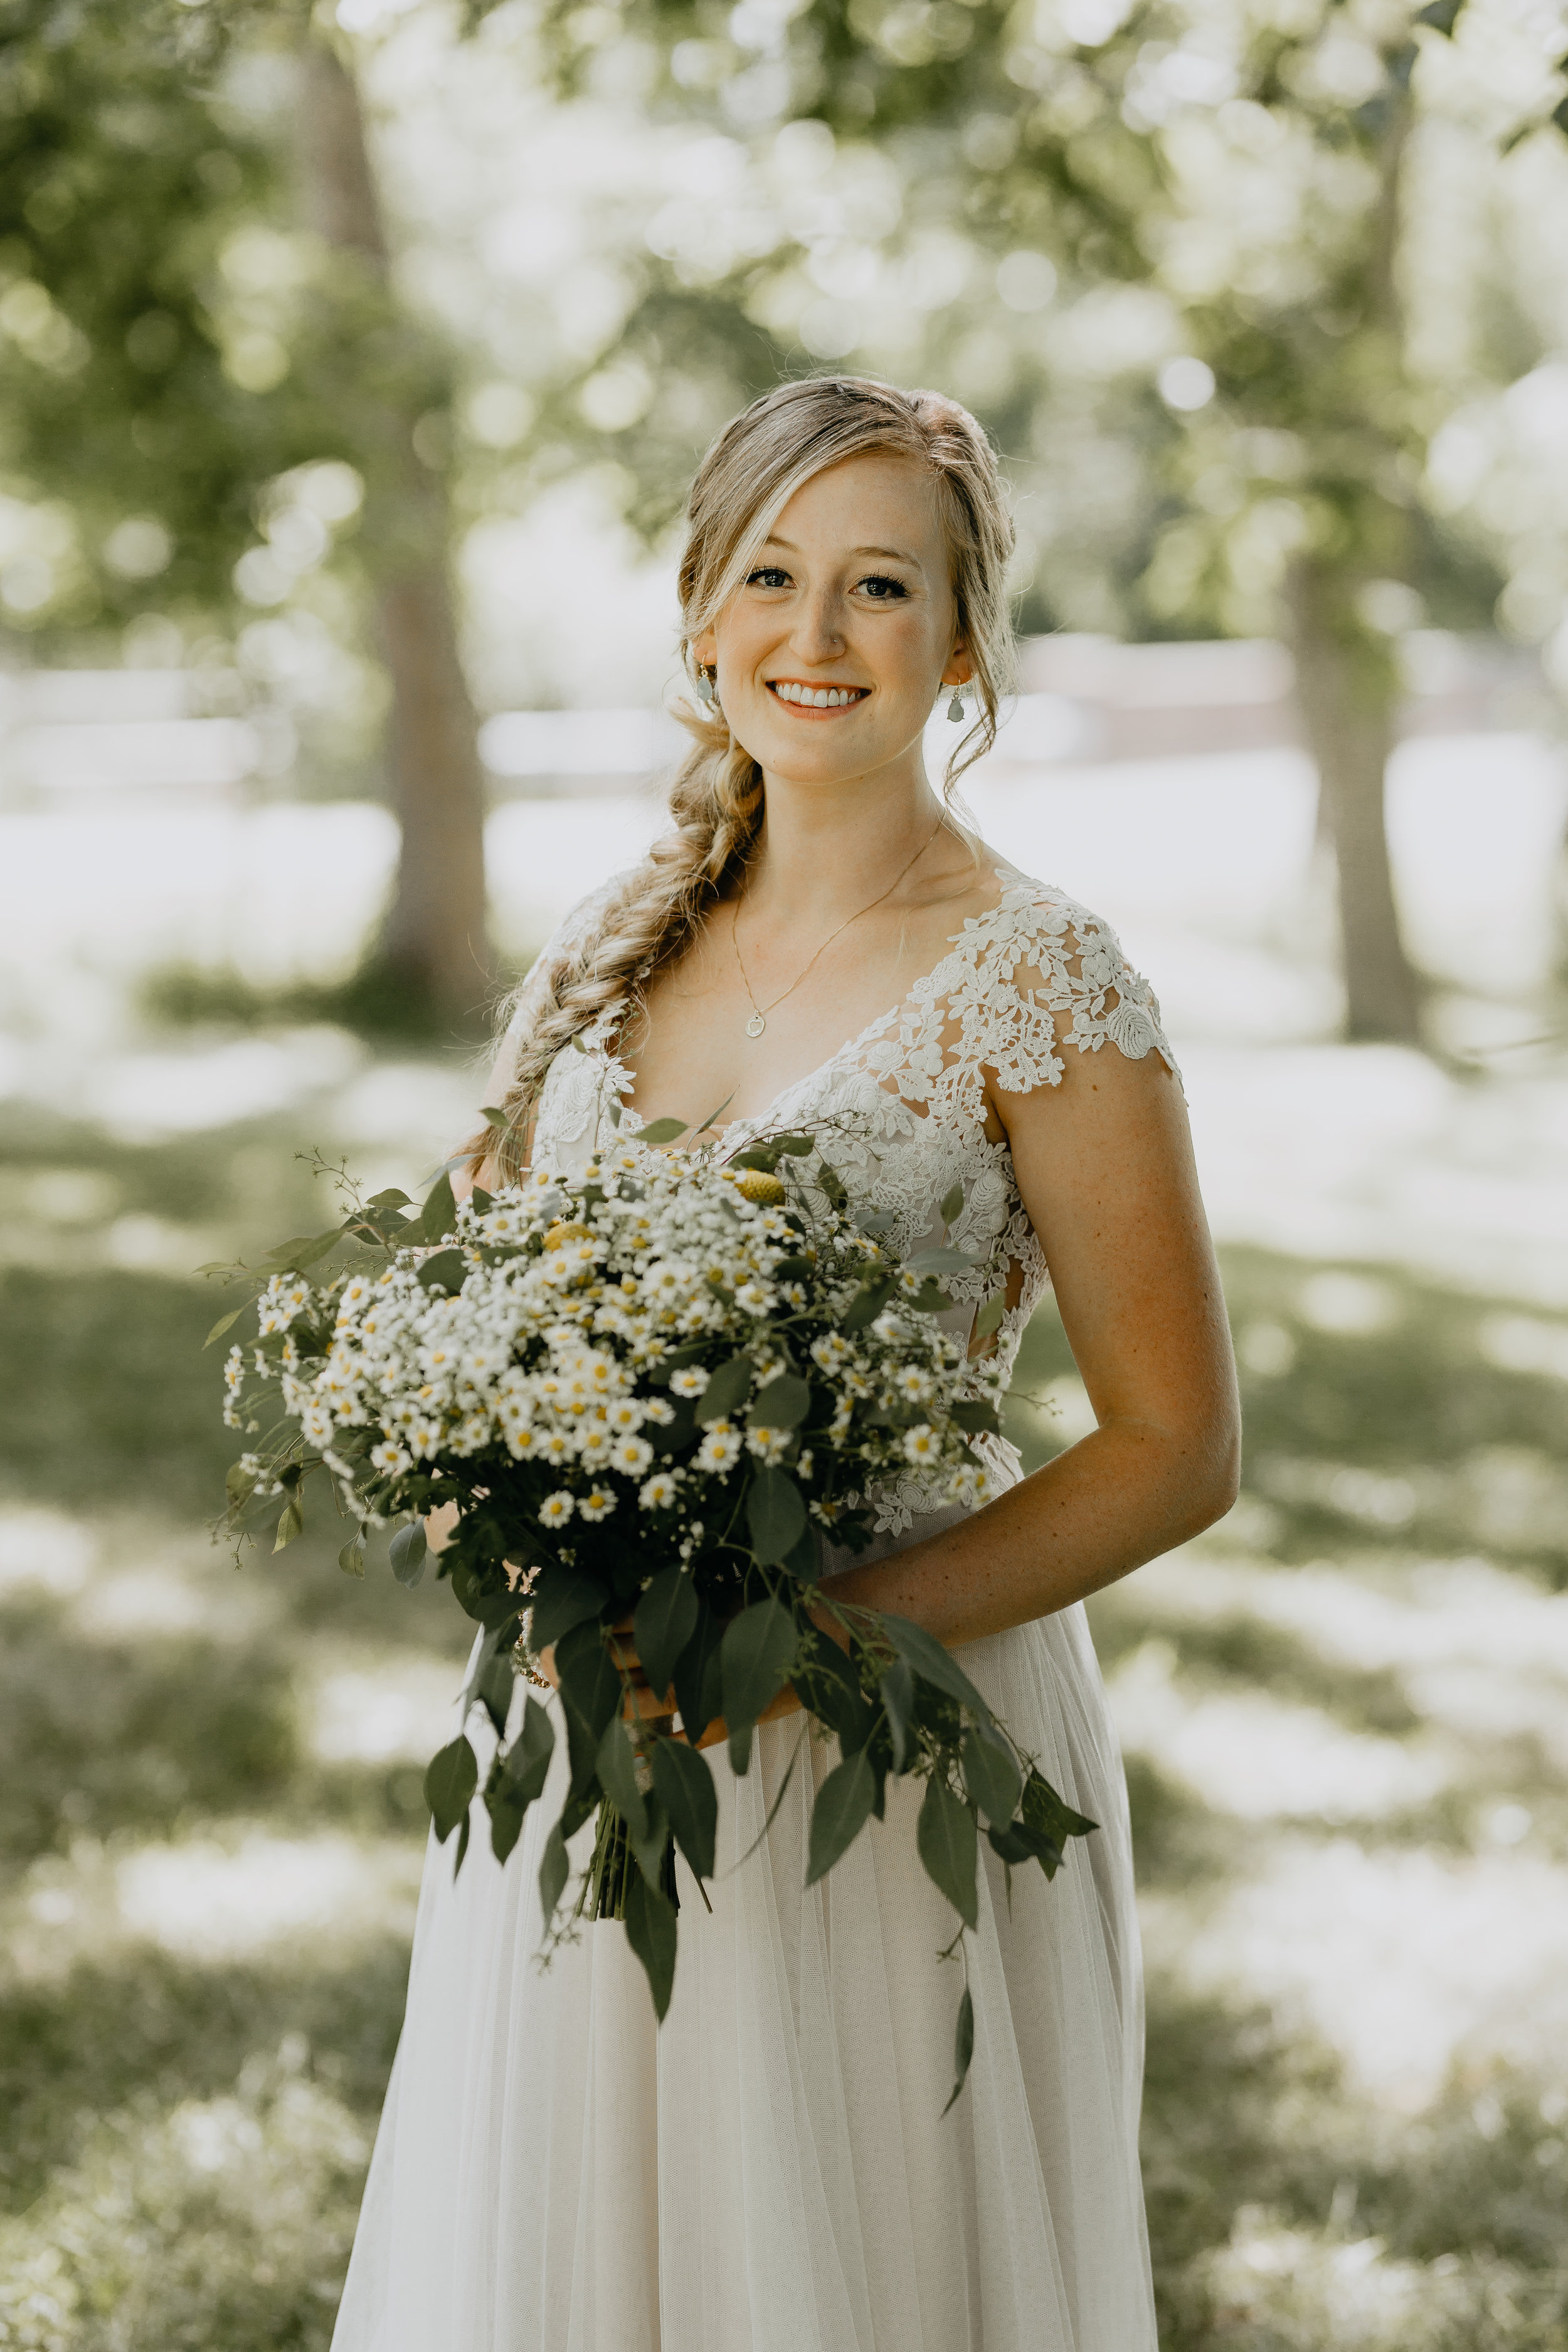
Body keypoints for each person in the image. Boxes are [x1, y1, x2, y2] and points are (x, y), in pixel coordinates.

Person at [331, 374, 1240, 2352]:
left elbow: (1175, 1445)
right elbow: (512, 1293)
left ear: (966, 636)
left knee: (856, 2269)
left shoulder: (1044, 978)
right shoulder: (613, 938)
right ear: (696, 610)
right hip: (597, 1707)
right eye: (771, 574)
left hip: (892, 1723)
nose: (813, 639)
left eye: (880, 588)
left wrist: (821, 1648)